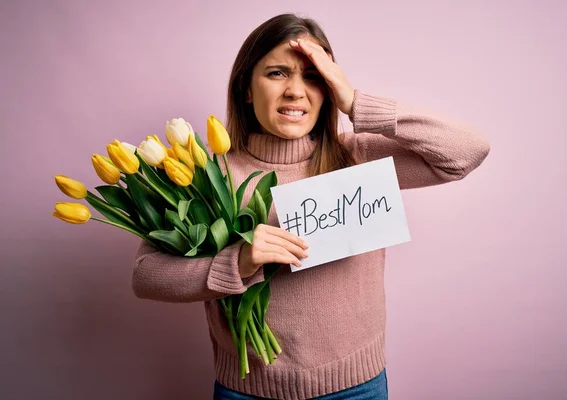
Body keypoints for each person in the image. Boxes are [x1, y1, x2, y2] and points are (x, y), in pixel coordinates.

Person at [131, 13, 490, 400]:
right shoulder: (203, 175)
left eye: (314, 76)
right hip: (248, 390)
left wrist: (355, 102)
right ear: (246, 89)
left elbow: (466, 152)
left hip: (356, 386)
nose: (295, 92)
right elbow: (145, 275)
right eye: (277, 73)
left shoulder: (359, 156)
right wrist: (238, 262)